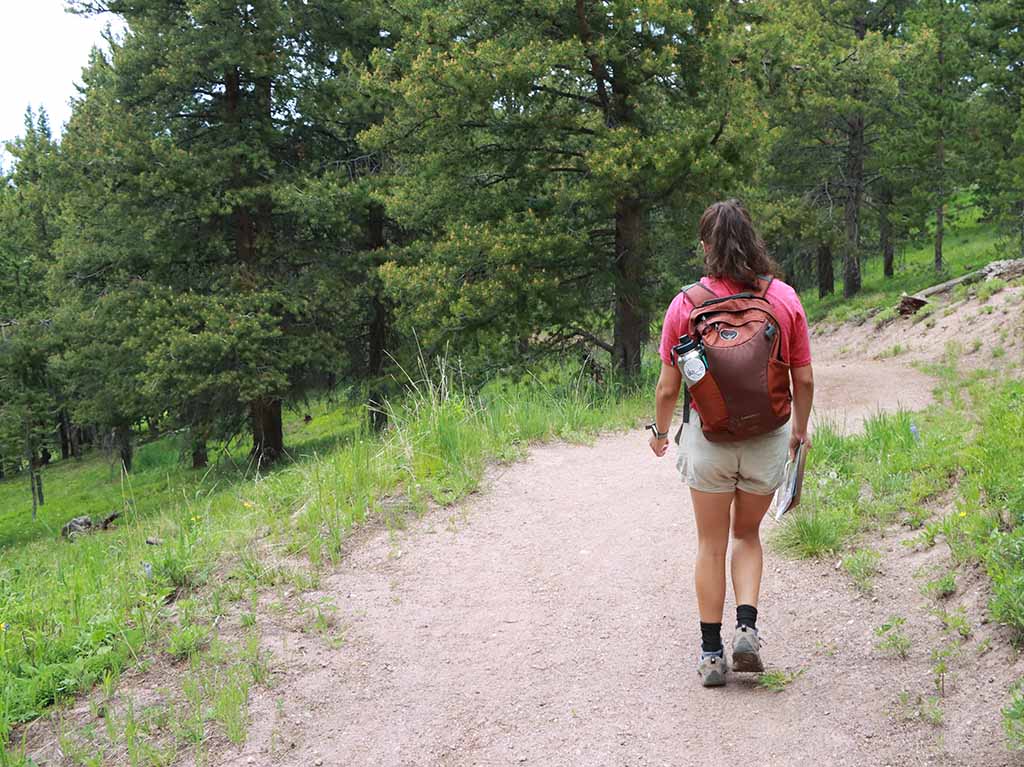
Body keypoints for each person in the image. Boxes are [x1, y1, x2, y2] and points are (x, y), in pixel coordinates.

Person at [648, 199, 815, 687]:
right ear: (753, 240)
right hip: (766, 438)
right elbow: (803, 380)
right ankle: (746, 626)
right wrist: (799, 431)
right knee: (747, 535)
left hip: (709, 439)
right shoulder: (783, 299)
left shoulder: (686, 304)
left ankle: (710, 653)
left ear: (705, 247)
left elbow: (666, 388)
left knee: (709, 542)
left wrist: (660, 435)